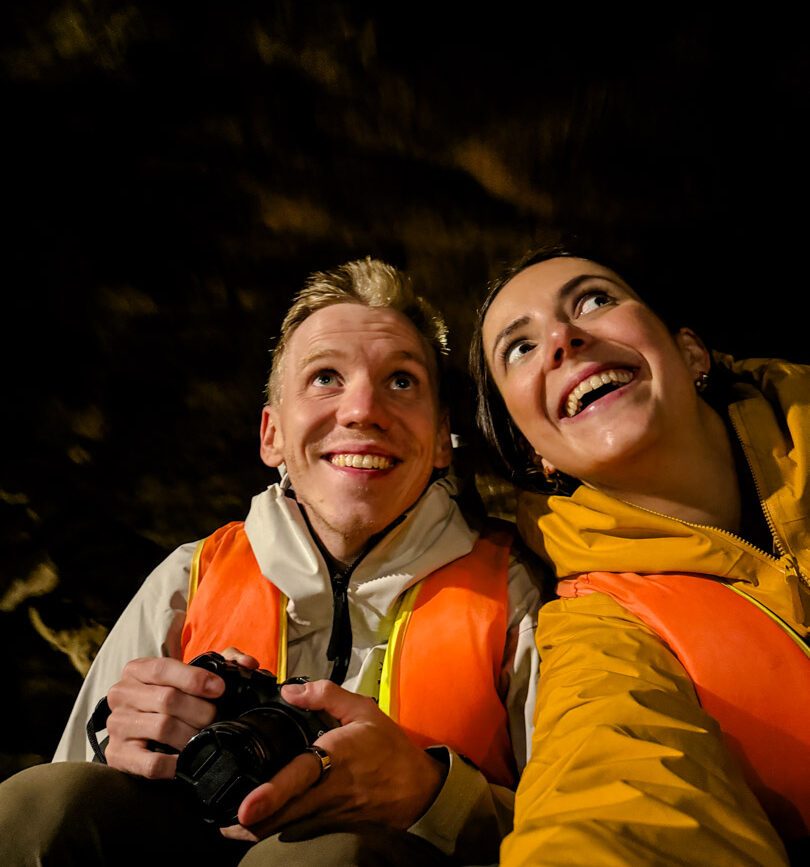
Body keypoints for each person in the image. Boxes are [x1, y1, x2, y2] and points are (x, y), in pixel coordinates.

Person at [0, 257, 541, 866]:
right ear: (272, 433)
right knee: (42, 805)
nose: (362, 409)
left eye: (401, 381)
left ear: (443, 437)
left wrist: (434, 797)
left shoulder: (513, 593)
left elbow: (587, 828)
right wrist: (119, 750)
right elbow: (73, 776)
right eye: (325, 378)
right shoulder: (191, 577)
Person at [470, 240, 809, 866]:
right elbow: (610, 790)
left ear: (690, 351)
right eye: (520, 348)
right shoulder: (595, 631)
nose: (563, 340)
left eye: (594, 300)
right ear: (533, 449)